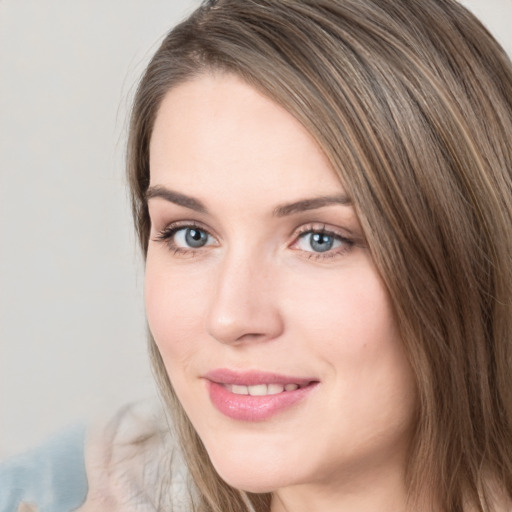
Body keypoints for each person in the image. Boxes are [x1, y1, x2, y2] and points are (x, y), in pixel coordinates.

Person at [11, 0, 512, 511]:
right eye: (191, 235)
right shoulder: (57, 489)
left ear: (468, 251)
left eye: (321, 239)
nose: (229, 317)